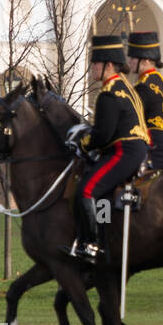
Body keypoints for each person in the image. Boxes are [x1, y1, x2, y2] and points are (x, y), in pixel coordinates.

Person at [63, 35, 150, 264]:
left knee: (86, 189)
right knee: (101, 191)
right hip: (133, 148)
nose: (92, 68)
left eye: (96, 64)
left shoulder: (109, 93)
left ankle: (91, 244)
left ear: (108, 65)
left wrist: (81, 141)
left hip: (124, 150)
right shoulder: (126, 87)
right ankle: (103, 235)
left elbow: (103, 135)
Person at [127, 31, 163, 171]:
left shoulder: (143, 86)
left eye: (133, 58)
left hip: (156, 148)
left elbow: (130, 120)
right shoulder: (157, 80)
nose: (129, 61)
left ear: (144, 61)